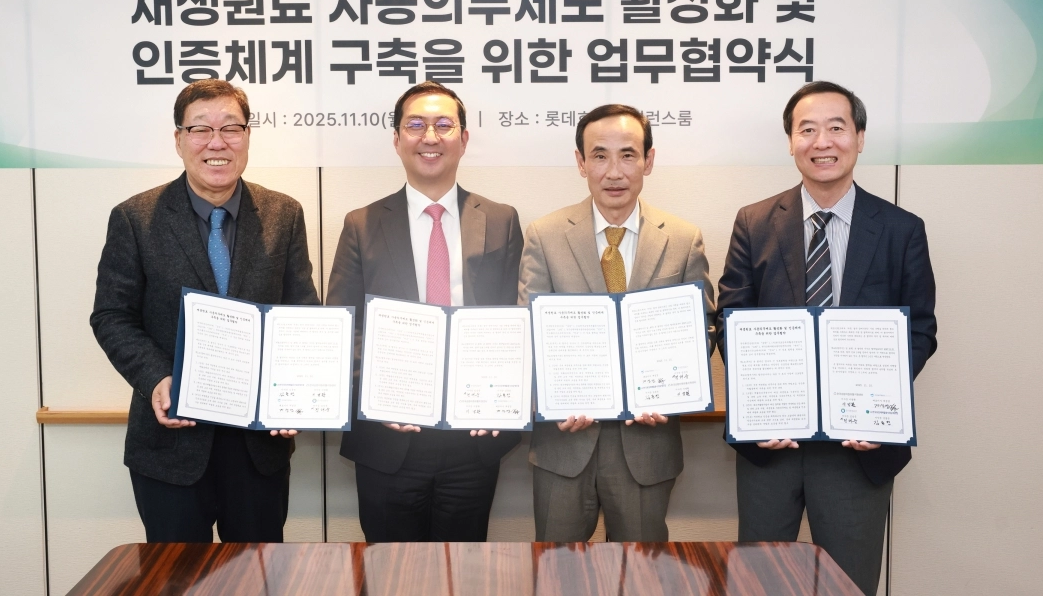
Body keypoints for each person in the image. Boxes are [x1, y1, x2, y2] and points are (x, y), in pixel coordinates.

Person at [717, 81, 938, 596]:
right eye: (807, 130)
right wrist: (759, 405)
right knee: (760, 584)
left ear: (859, 137)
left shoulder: (902, 229)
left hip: (858, 449)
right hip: (771, 445)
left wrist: (878, 406)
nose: (822, 142)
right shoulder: (753, 222)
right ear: (790, 142)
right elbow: (731, 318)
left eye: (836, 128)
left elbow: (920, 331)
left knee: (850, 585)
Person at [90, 79, 319, 543]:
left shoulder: (284, 214)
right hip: (171, 445)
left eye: (231, 128)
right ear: (179, 139)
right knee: (176, 576)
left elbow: (302, 314)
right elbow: (111, 315)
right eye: (200, 129)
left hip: (258, 447)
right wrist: (157, 377)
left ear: (247, 136)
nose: (217, 143)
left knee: (257, 574)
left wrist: (296, 388)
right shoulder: (135, 218)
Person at [326, 81, 524, 542]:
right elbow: (344, 327)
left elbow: (515, 321)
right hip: (388, 439)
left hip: (473, 438)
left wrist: (502, 394)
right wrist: (379, 392)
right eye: (415, 125)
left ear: (464, 138)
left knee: (463, 568)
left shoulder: (500, 220)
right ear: (397, 140)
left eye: (443, 125)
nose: (429, 137)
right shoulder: (362, 223)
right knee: (389, 570)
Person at [518, 104, 715, 542]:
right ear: (581, 162)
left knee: (643, 571)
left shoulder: (683, 239)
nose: (614, 171)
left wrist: (672, 389)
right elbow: (528, 333)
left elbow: (701, 329)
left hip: (646, 444)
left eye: (628, 155)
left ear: (648, 160)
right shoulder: (545, 235)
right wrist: (548, 397)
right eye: (600, 155)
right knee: (556, 570)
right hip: (564, 444)